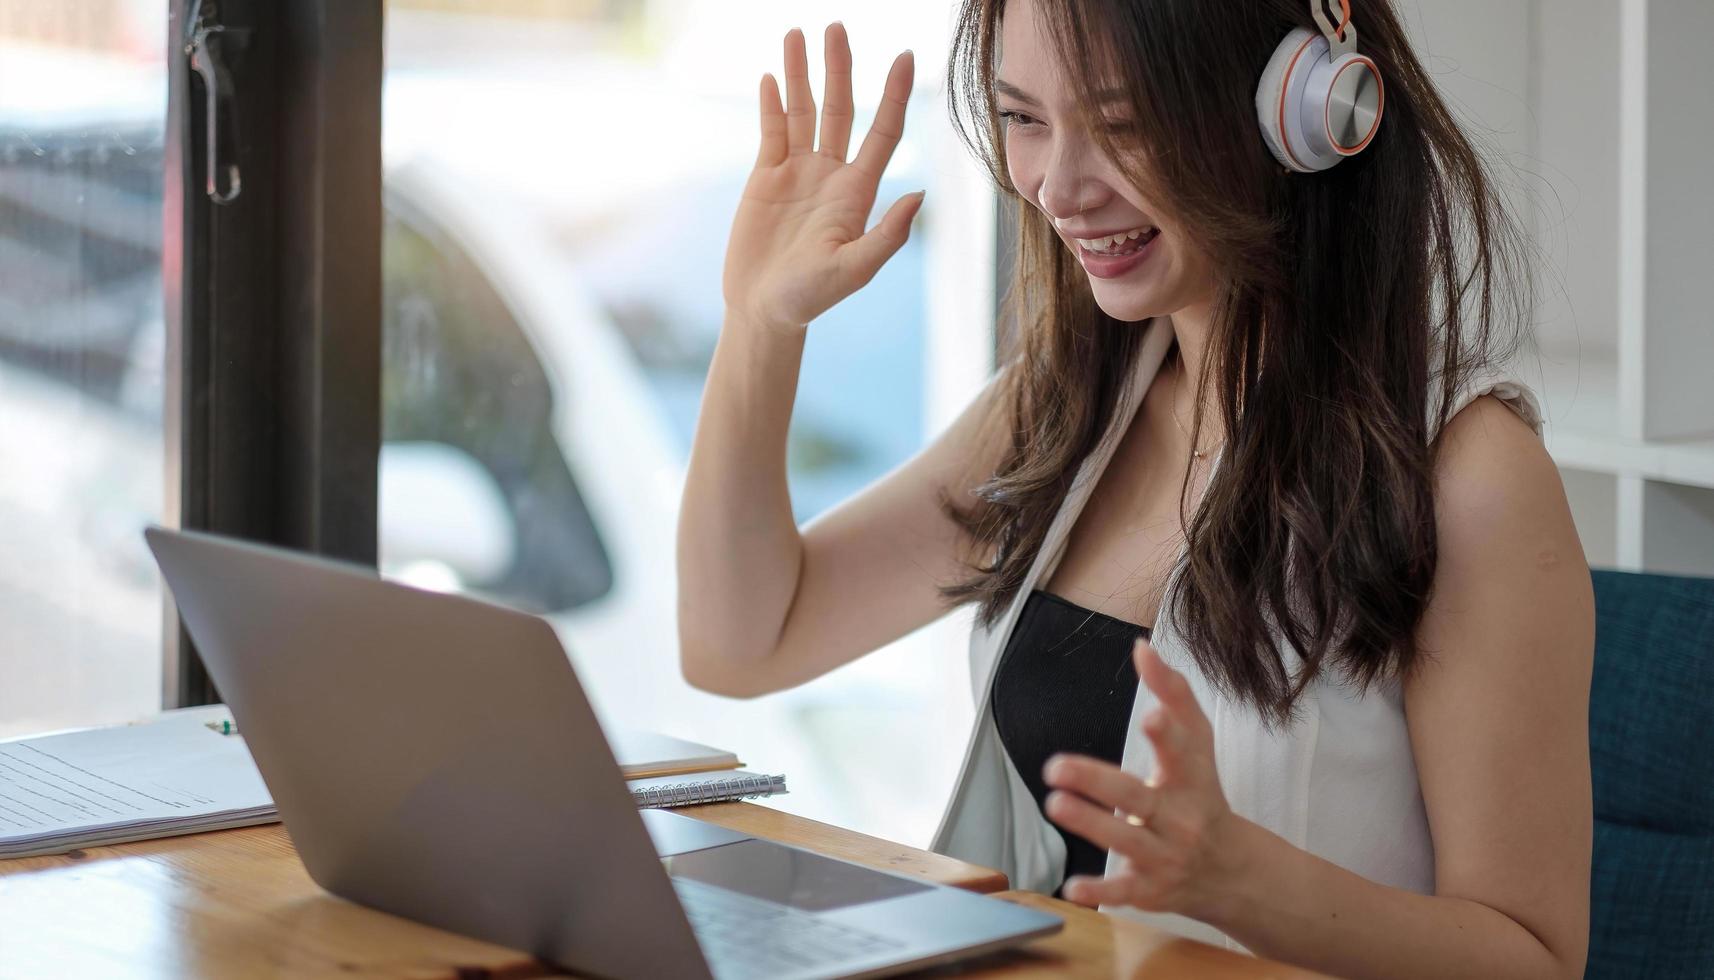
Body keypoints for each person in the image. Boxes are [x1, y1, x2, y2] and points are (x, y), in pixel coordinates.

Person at [676, 1, 1593, 976]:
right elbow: (744, 641)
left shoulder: (1465, 475)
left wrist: (1241, 879)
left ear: (1300, 109)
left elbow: (1533, 956)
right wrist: (760, 324)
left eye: (1124, 124)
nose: (1058, 188)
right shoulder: (1066, 410)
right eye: (1024, 119)